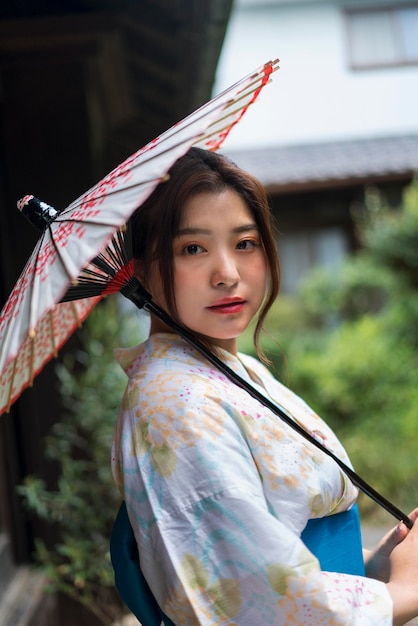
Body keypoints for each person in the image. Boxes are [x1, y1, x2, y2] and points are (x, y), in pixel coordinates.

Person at [111, 147, 418, 625]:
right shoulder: (176, 403)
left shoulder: (226, 369)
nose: (228, 274)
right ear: (142, 270)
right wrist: (406, 592)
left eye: (245, 243)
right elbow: (254, 600)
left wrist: (378, 564)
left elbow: (278, 545)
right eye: (192, 248)